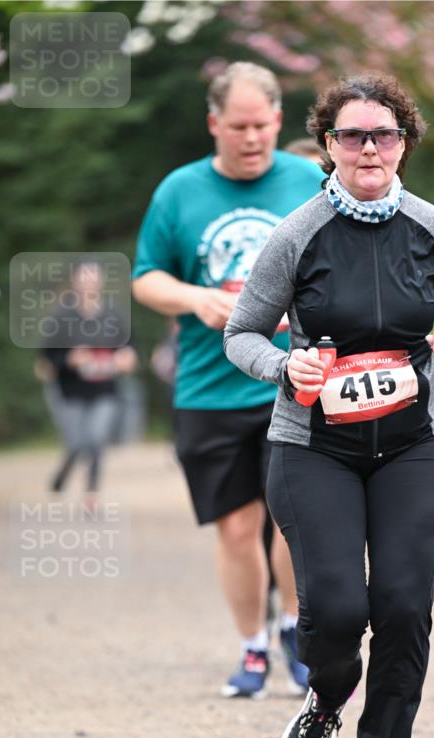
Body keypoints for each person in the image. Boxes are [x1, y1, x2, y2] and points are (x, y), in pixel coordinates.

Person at [224, 75, 434, 738]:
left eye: (381, 133)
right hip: (313, 446)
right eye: (351, 136)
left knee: (404, 608)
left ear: (403, 141)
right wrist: (285, 366)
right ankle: (324, 698)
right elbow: (242, 332)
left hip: (415, 445)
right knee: (340, 611)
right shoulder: (299, 233)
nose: (368, 148)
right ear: (328, 147)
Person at [132, 62, 323, 698]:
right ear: (214, 124)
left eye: (262, 125)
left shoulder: (308, 180)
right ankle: (251, 648)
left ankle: (297, 631)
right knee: (237, 527)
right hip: (208, 389)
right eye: (237, 126)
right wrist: (194, 297)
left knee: (292, 520)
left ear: (278, 123)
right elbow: (144, 277)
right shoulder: (178, 192)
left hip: (295, 383)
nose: (251, 138)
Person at [41, 261, 137, 498]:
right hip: (70, 391)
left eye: (93, 277)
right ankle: (63, 473)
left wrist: (126, 358)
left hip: (105, 389)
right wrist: (69, 359)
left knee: (96, 438)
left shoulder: (114, 315)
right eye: (84, 277)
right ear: (75, 281)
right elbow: (47, 359)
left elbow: (129, 349)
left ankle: (91, 491)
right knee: (76, 443)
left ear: (101, 281)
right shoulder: (62, 317)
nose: (89, 282)